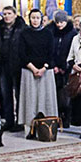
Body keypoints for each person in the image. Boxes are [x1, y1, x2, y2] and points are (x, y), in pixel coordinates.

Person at [17, 9, 58, 139]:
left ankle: (47, 128)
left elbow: (51, 52)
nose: (35, 20)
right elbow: (21, 53)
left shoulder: (48, 33)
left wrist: (43, 68)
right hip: (29, 71)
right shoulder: (24, 33)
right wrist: (33, 68)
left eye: (37, 18)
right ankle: (30, 129)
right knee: (30, 100)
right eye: (33, 18)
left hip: (45, 71)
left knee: (45, 100)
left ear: (41, 19)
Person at [0, 6, 26, 132]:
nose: (7, 16)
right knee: (5, 94)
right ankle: (8, 120)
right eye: (5, 14)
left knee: (19, 94)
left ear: (15, 14)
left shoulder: (22, 28)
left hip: (18, 64)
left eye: (9, 13)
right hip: (3, 64)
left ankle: (20, 120)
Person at [49, 10, 76, 127]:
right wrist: (54, 65)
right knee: (55, 93)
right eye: (57, 22)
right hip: (54, 68)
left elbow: (72, 51)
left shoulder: (72, 34)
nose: (59, 25)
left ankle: (67, 117)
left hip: (67, 68)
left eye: (61, 22)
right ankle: (57, 116)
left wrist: (65, 67)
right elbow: (50, 50)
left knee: (66, 94)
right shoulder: (51, 32)